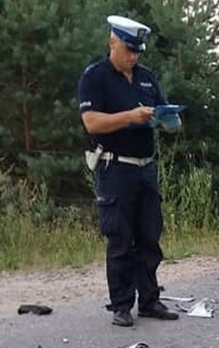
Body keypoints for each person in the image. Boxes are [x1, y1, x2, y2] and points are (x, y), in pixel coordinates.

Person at [78, 15, 182, 327]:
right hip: (115, 168)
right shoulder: (95, 76)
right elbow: (92, 122)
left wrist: (170, 122)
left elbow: (168, 119)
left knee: (149, 236)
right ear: (113, 43)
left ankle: (149, 300)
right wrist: (129, 117)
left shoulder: (147, 78)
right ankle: (121, 305)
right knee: (120, 239)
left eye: (137, 51)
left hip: (146, 168)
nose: (133, 56)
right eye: (128, 49)